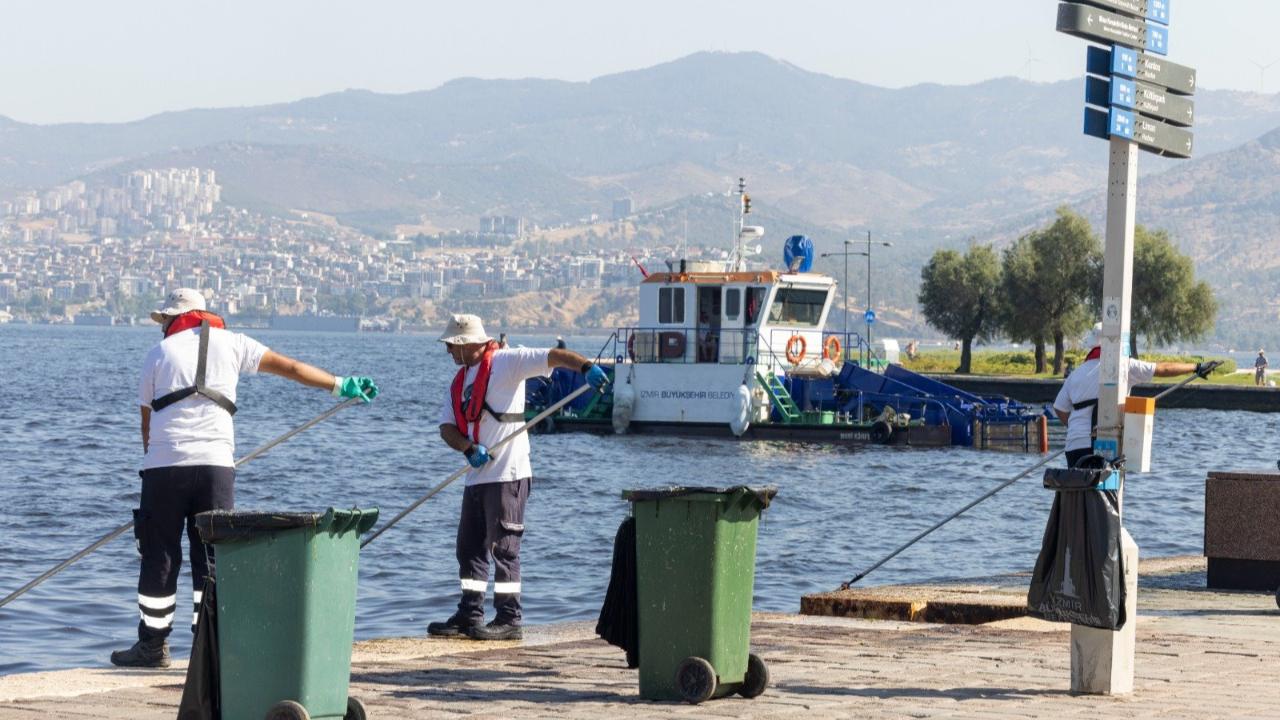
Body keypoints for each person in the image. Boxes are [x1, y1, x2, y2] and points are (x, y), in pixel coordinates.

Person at [111, 288, 378, 668]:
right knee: (214, 556)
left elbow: (146, 425)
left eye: (164, 320)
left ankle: (152, 647)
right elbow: (291, 368)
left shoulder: (158, 354)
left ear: (176, 318)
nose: (162, 327)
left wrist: (157, 465)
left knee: (160, 555)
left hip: (164, 467)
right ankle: (211, 651)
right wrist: (340, 384)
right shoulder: (235, 344)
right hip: (217, 467)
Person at [428, 313, 608, 641]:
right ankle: (470, 612)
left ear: (470, 344)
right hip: (477, 475)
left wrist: (585, 368)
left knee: (504, 546)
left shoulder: (509, 362)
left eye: (453, 345)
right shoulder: (459, 382)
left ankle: (509, 618)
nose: (449, 352)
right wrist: (467, 447)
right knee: (469, 547)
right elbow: (446, 427)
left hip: (508, 473)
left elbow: (553, 357)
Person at [1053, 323, 1210, 469]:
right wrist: (1196, 367)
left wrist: (1077, 428)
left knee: (1076, 494)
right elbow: (1163, 369)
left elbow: (1059, 408)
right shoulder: (1124, 365)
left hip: (1074, 446)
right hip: (1104, 445)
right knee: (1104, 494)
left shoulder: (1076, 374)